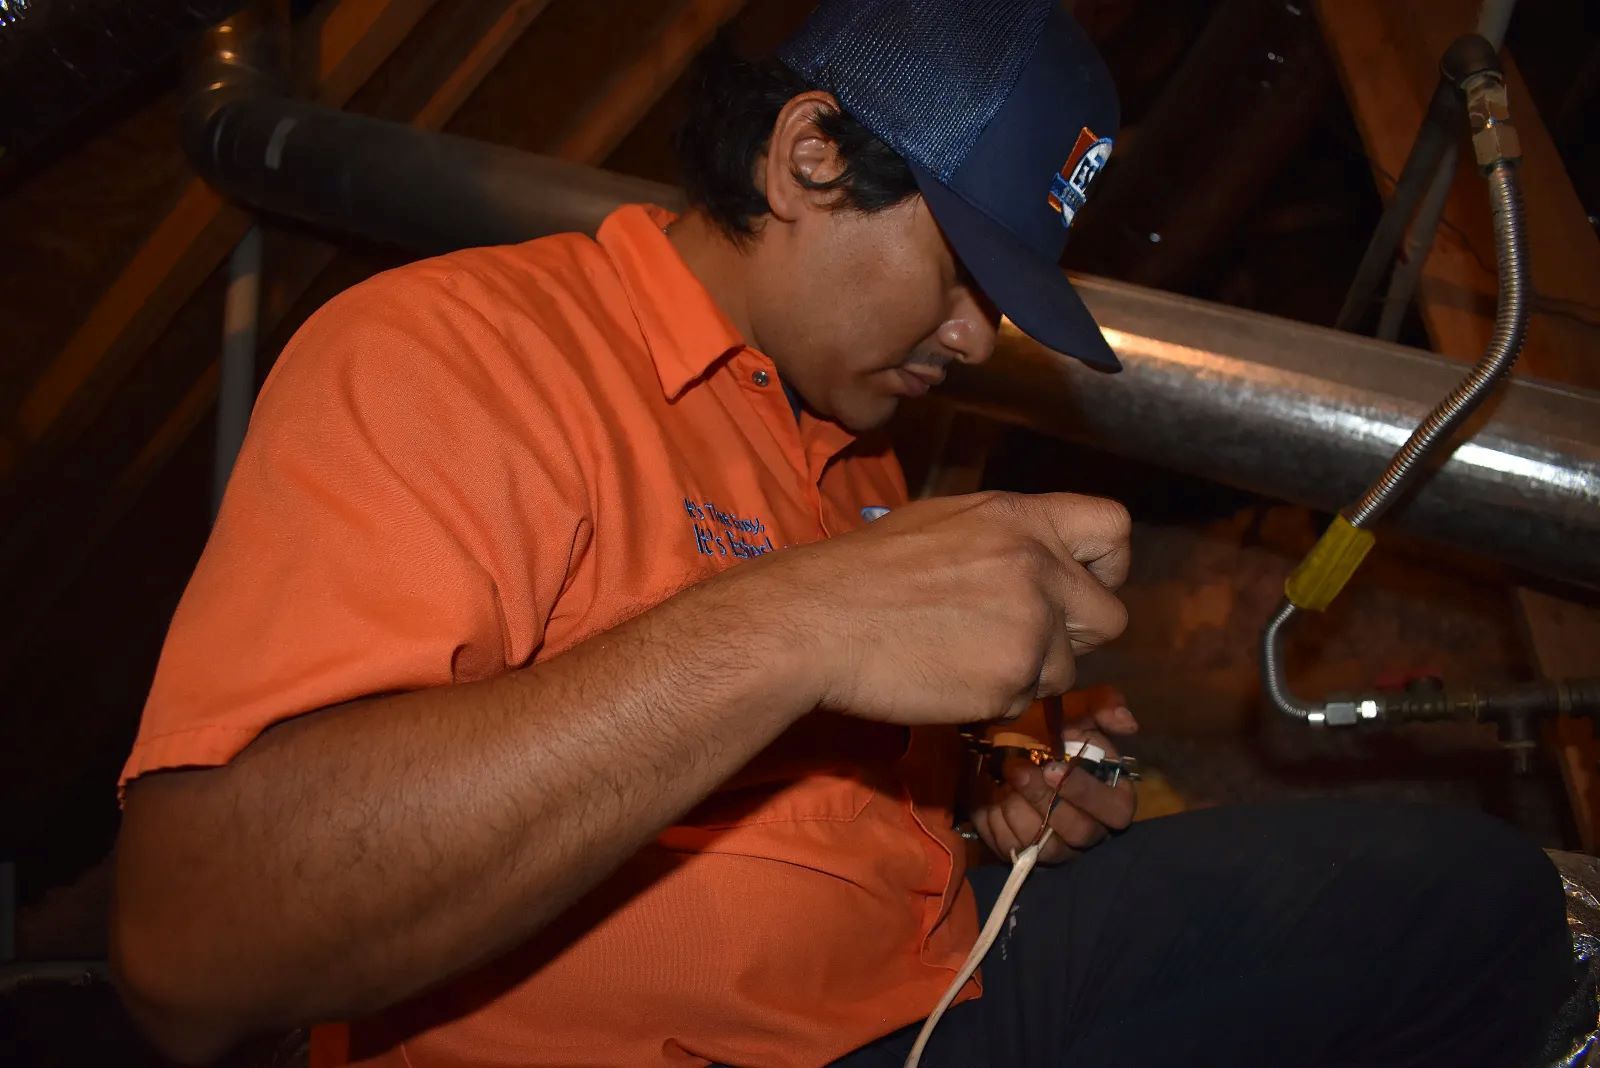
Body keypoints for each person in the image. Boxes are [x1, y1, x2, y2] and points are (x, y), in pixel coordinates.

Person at [110, 2, 1573, 1065]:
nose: (970, 334)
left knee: (1467, 907)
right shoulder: (457, 353)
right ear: (811, 156)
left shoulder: (859, 454)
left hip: (938, 989)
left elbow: (845, 777)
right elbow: (195, 943)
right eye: (961, 273)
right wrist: (798, 620)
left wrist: (1006, 775)